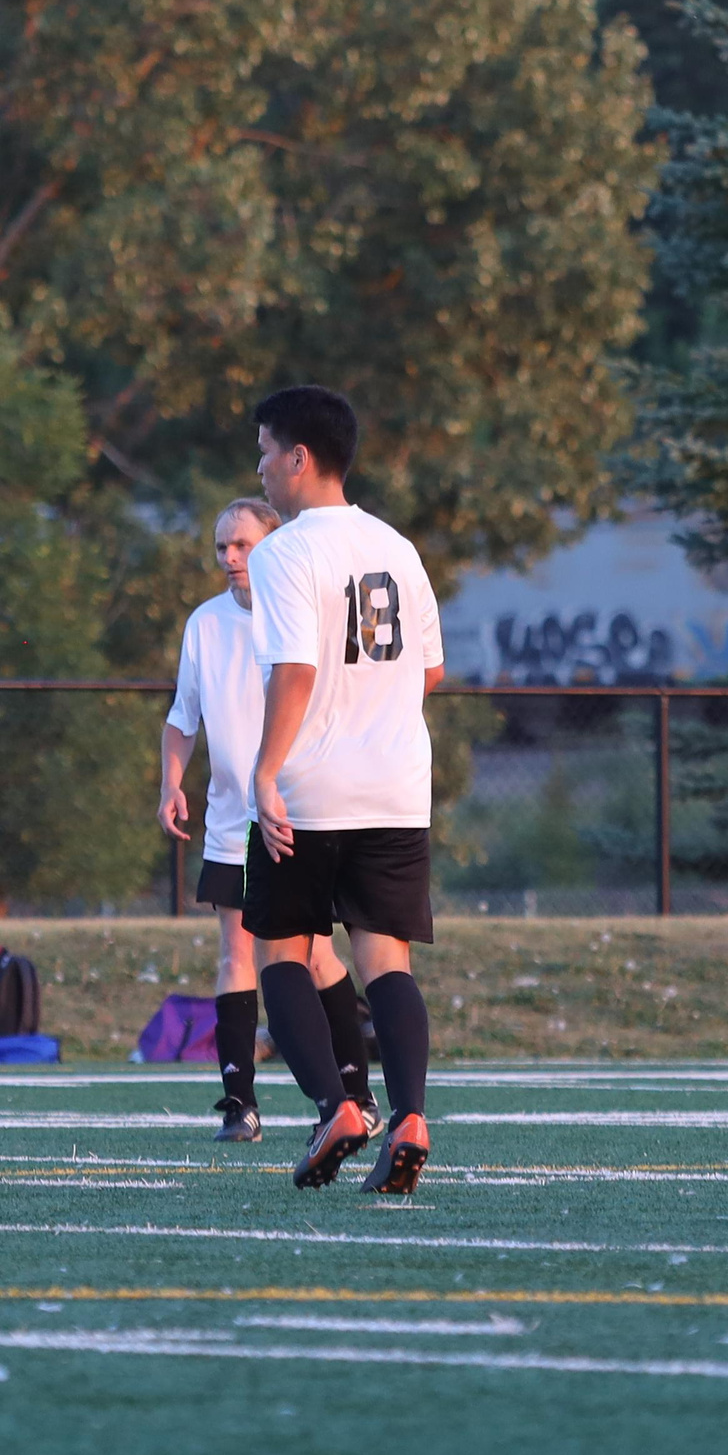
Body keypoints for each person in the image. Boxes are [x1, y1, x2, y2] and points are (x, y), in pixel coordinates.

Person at [242, 385, 445, 1195]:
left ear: (299, 457)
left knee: (283, 952)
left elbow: (297, 669)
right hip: (396, 786)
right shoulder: (399, 546)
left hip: (310, 788)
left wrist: (264, 769)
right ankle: (413, 1116)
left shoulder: (285, 551)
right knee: (385, 961)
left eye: (264, 451)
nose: (259, 469)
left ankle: (337, 1106)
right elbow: (429, 669)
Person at [160, 496, 377, 1142]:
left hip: (297, 814)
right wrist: (172, 780)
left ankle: (353, 1093)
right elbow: (182, 716)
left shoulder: (301, 617)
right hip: (232, 821)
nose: (229, 557)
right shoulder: (205, 623)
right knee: (236, 954)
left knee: (312, 955)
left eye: (243, 545)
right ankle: (239, 1103)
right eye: (222, 546)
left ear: (274, 545)